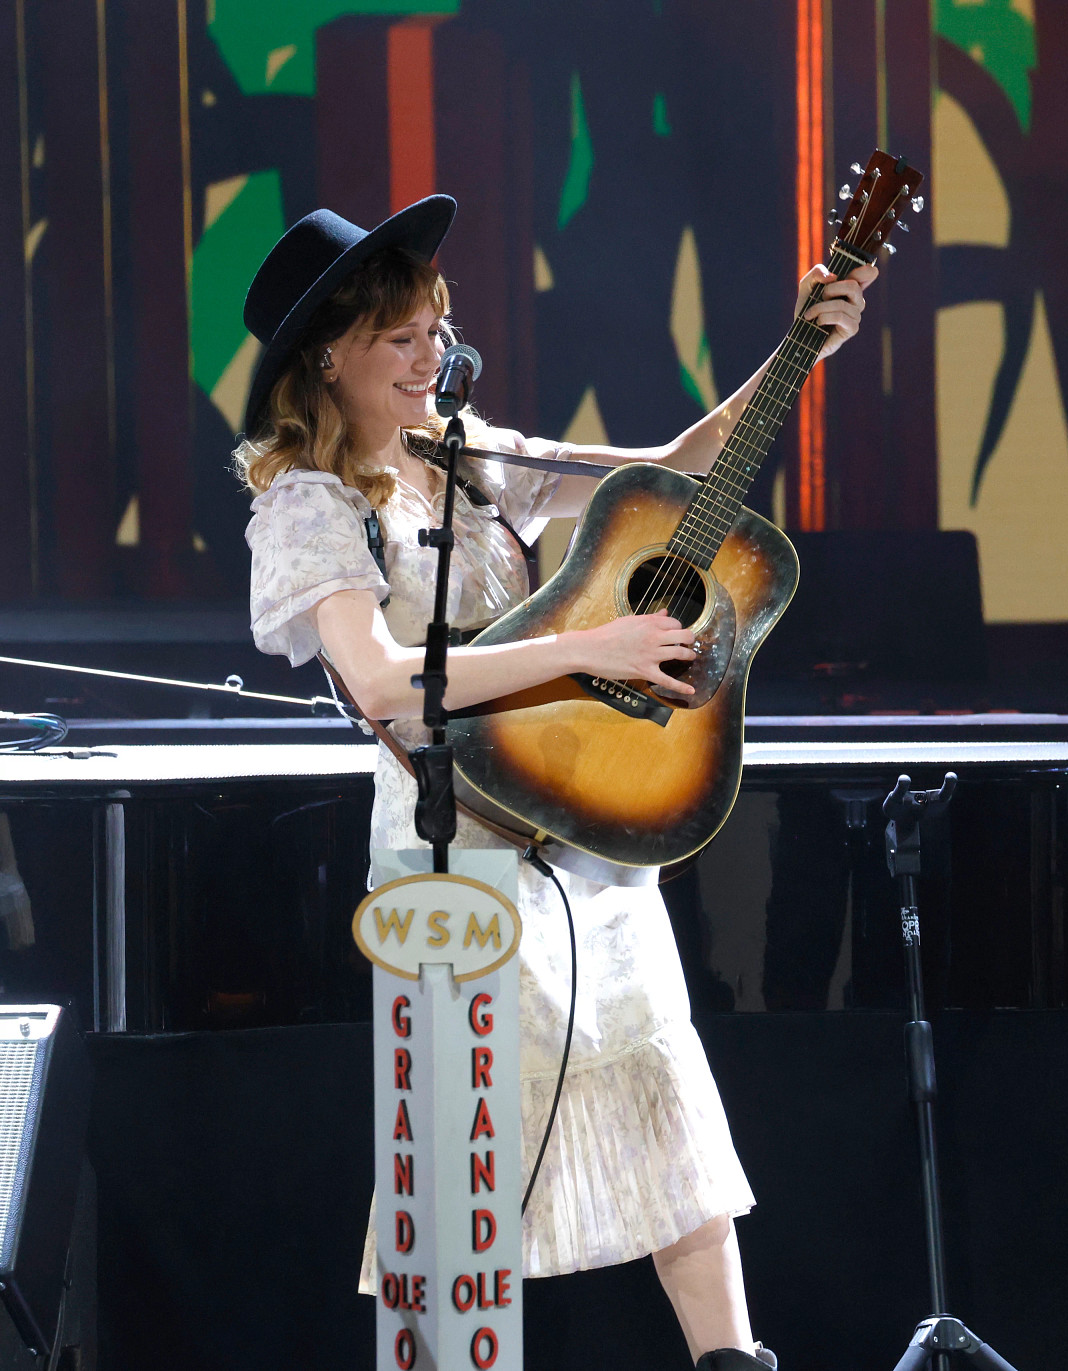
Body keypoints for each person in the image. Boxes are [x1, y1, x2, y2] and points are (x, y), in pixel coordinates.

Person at [237, 194, 875, 1371]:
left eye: (435, 327)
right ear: (327, 358)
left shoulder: (472, 460)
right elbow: (379, 682)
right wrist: (592, 650)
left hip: (581, 829)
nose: (431, 354)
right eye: (399, 338)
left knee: (670, 1123)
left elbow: (667, 472)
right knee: (460, 1166)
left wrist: (796, 350)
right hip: (450, 858)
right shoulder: (309, 505)